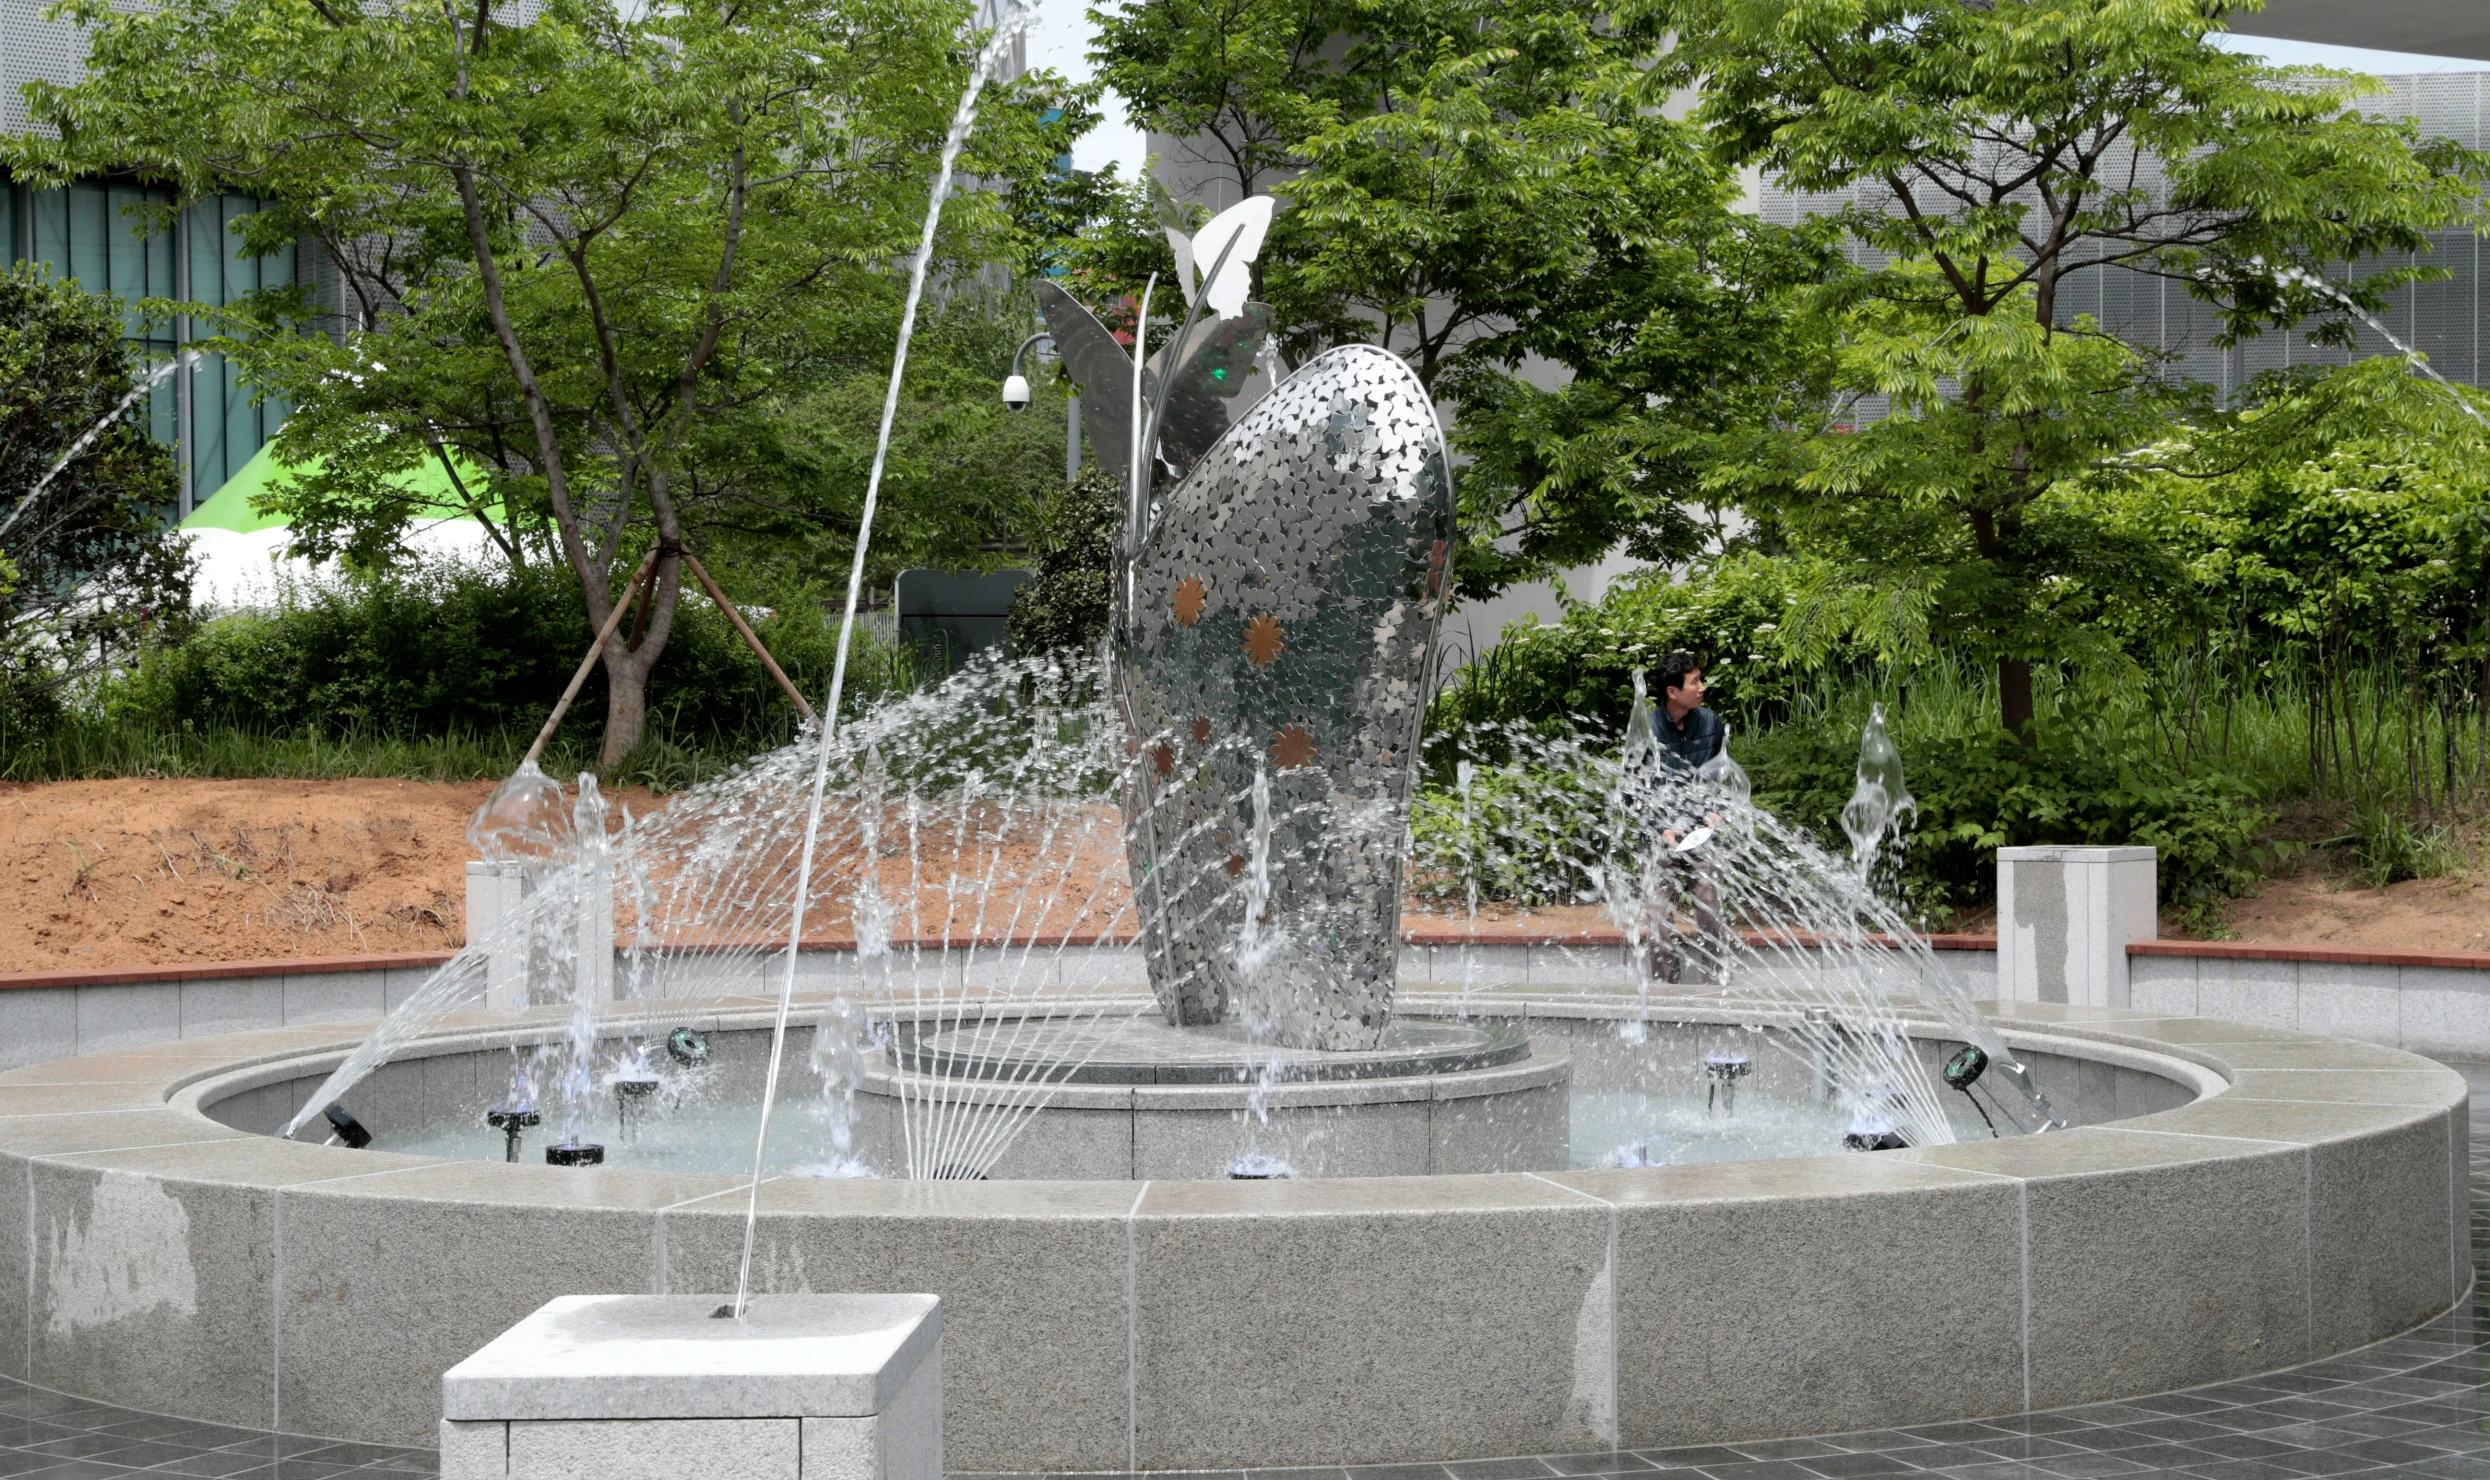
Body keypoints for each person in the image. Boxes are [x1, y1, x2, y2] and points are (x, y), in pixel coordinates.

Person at [1635, 652, 1728, 985]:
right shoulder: (1645, 728)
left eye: (1701, 679)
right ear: (1673, 692)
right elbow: (1631, 791)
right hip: (1659, 839)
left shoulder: (1712, 723)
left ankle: (1718, 985)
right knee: (1659, 920)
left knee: (1711, 909)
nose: (1702, 687)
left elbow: (1721, 775)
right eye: (1695, 682)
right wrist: (1659, 829)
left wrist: (1717, 811)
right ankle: (1664, 993)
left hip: (1701, 834)